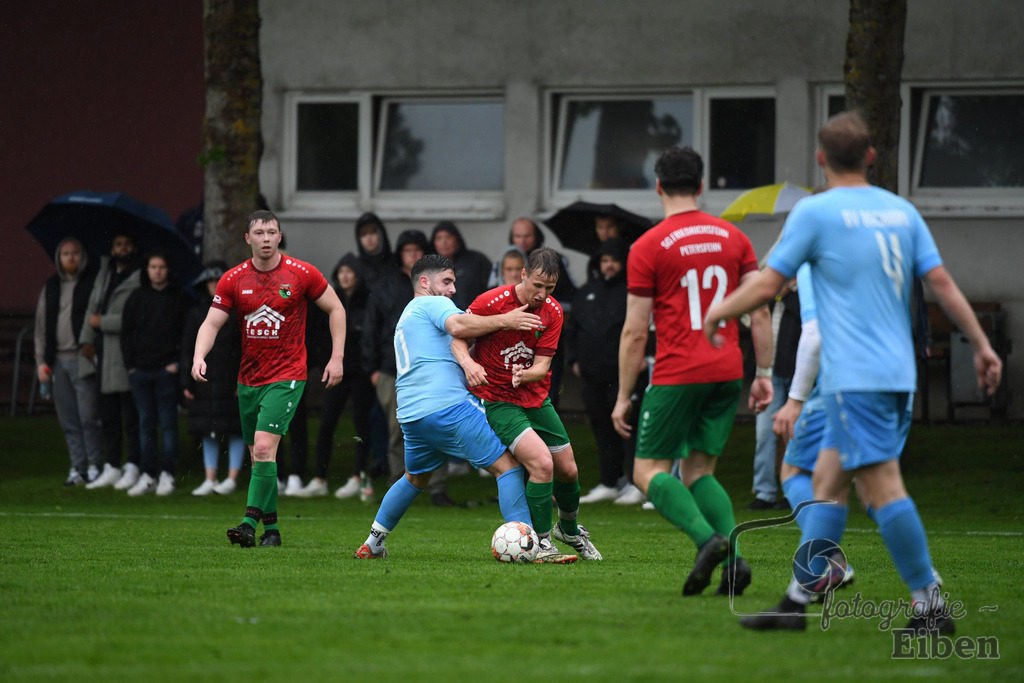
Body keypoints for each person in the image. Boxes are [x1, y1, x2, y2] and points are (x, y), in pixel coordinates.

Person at [703, 111, 1002, 632]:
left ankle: (930, 607)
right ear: (871, 156)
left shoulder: (816, 213)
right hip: (896, 374)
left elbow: (768, 285)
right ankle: (796, 603)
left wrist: (717, 312)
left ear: (821, 158)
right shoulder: (901, 211)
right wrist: (982, 345)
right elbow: (943, 285)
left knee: (882, 488)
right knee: (823, 482)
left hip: (855, 377)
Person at [610, 145, 773, 597]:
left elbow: (635, 332)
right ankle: (736, 562)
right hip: (727, 368)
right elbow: (759, 312)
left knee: (647, 471)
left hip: (679, 371)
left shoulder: (647, 246)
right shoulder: (734, 238)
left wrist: (624, 396)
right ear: (701, 187)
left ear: (658, 187)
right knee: (700, 471)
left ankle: (709, 541)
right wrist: (764, 371)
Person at [353, 254, 542, 559]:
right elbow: (459, 325)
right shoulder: (432, 303)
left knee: (415, 478)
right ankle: (530, 545)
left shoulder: (406, 315)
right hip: (447, 406)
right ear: (424, 282)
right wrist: (508, 319)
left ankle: (373, 542)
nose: (453, 289)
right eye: (447, 281)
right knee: (508, 467)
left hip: (412, 415)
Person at [191, 210, 347, 548]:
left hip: (288, 375)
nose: (265, 238)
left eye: (271, 232)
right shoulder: (233, 280)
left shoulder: (302, 274)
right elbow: (211, 323)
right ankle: (272, 532)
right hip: (249, 379)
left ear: (279, 236)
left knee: (262, 447)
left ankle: (248, 523)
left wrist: (337, 358)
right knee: (263, 456)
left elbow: (336, 309)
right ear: (248, 238)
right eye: (259, 232)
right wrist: (198, 355)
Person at [452, 247, 600, 562]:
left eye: (549, 288)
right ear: (523, 275)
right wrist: (469, 364)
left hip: (535, 397)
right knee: (542, 464)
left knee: (568, 470)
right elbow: (458, 334)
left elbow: (543, 367)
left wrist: (525, 373)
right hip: (498, 400)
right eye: (537, 285)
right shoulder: (491, 302)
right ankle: (542, 542)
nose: (542, 294)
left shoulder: (554, 312)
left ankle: (569, 529)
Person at [361, 230, 454, 506]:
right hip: (392, 369)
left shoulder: (437, 289)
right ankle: (397, 487)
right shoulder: (386, 284)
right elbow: (370, 327)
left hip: (431, 370)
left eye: (417, 250)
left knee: (438, 428)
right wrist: (373, 369)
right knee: (397, 430)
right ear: (399, 254)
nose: (412, 255)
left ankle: (437, 488)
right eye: (407, 250)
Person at [567, 238, 645, 505]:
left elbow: (643, 326)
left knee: (627, 427)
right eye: (604, 260)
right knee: (602, 428)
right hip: (591, 376)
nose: (609, 265)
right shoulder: (587, 291)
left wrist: (645, 356)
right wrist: (574, 359)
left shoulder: (632, 291)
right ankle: (610, 481)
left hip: (623, 375)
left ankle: (637, 483)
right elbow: (573, 329)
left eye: (614, 260)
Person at [295, 253, 375, 498]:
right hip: (336, 372)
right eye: (341, 271)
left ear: (357, 274)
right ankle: (320, 478)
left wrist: (368, 364)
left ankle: (358, 477)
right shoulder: (328, 299)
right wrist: (323, 362)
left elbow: (371, 334)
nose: (345, 276)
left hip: (361, 373)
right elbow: (318, 335)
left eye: (350, 271)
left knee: (361, 425)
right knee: (326, 424)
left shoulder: (367, 299)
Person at [121, 252, 191, 496]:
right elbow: (126, 333)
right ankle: (148, 474)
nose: (158, 271)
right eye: (153, 266)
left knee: (168, 424)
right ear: (147, 269)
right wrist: (130, 365)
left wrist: (176, 364)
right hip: (140, 371)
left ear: (168, 269)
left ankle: (167, 474)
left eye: (162, 266)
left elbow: (186, 334)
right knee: (145, 424)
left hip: (166, 371)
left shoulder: (179, 298)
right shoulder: (136, 298)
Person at [34, 236, 101, 486]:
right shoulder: (50, 287)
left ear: (81, 256)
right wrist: (42, 362)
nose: (70, 257)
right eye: (65, 254)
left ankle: (95, 466)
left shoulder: (91, 284)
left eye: (74, 253)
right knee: (69, 420)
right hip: (57, 362)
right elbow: (41, 328)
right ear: (58, 259)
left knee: (88, 417)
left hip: (82, 359)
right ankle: (77, 467)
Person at [81, 232, 143, 490]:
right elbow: (91, 309)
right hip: (103, 355)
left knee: (130, 417)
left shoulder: (139, 277)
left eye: (127, 244)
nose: (123, 248)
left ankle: (133, 465)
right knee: (108, 417)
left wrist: (102, 323)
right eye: (118, 244)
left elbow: (135, 317)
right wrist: (86, 339)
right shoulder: (104, 273)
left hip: (125, 355)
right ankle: (112, 465)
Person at [181, 261, 245, 496]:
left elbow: (245, 349)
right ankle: (210, 478)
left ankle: (231, 478)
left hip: (233, 380)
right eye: (210, 281)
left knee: (236, 428)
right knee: (208, 428)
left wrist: (243, 377)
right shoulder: (196, 313)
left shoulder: (239, 314)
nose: (214, 286)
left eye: (218, 281)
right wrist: (186, 382)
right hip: (205, 380)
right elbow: (188, 349)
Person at [748, 277, 800, 511]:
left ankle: (793, 492)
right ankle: (764, 492)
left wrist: (786, 294)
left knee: (795, 434)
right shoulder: (768, 296)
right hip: (770, 375)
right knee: (764, 434)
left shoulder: (804, 293)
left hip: (799, 375)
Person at [430, 221, 492, 310]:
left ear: (457, 239)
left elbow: (491, 289)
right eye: (439, 238)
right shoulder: (428, 267)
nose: (444, 242)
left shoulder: (476, 260)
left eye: (448, 237)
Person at [354, 212, 393, 286]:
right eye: (363, 234)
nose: (369, 239)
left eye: (372, 232)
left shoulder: (397, 263)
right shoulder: (355, 268)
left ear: (381, 234)